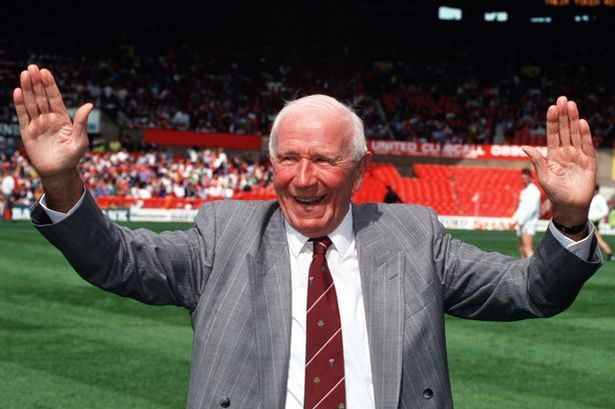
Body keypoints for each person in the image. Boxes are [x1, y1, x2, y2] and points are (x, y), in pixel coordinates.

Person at [14, 64, 601, 409]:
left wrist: (571, 219)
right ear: (269, 165)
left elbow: (532, 290)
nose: (302, 178)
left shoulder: (413, 235)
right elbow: (118, 260)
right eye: (287, 158)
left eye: (323, 159)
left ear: (360, 169)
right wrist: (63, 181)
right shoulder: (223, 232)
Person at [512, 168, 541, 258]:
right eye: (522, 178)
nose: (524, 180)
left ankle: (532, 269)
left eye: (526, 178)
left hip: (529, 222)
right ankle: (523, 269)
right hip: (522, 222)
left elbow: (531, 209)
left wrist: (520, 221)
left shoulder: (534, 191)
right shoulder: (524, 191)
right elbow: (520, 207)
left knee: (527, 247)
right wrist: (515, 220)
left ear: (530, 178)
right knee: (521, 248)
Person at [589, 184, 613, 261]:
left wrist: (594, 218)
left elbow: (605, 211)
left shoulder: (600, 199)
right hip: (589, 221)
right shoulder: (593, 198)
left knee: (598, 239)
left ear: (596, 190)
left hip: (593, 222)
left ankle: (609, 253)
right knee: (593, 239)